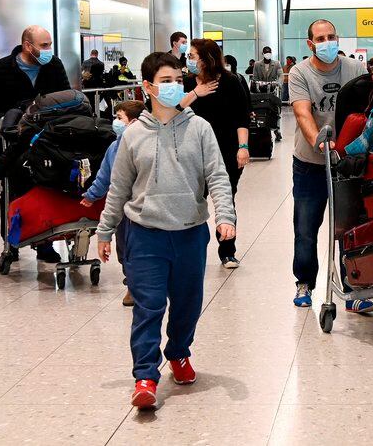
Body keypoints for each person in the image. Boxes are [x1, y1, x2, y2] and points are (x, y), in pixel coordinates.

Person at [96, 52, 236, 410]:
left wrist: (225, 216)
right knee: (149, 305)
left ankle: (178, 353)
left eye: (178, 79)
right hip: (145, 234)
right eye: (166, 80)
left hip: (190, 232)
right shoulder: (132, 135)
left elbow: (217, 176)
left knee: (188, 305)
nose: (174, 86)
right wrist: (105, 231)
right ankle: (145, 376)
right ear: (148, 87)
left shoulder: (200, 128)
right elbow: (119, 187)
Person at [289, 19, 373, 314]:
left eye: (331, 36)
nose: (327, 42)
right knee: (305, 226)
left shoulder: (355, 69)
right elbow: (303, 114)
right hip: (310, 162)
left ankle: (354, 288)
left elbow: (369, 111)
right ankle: (304, 283)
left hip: (348, 163)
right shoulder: (300, 73)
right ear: (310, 43)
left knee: (350, 226)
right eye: (320, 38)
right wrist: (320, 143)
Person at [0, 25, 70, 264]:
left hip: (46, 140)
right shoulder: (0, 70)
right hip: (12, 142)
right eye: (44, 45)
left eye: (49, 45)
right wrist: (1, 120)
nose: (49, 50)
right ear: (28, 45)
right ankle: (11, 241)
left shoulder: (53, 66)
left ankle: (44, 243)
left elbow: (66, 94)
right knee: (12, 190)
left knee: (46, 186)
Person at [184, 39, 250, 269]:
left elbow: (242, 117)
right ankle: (191, 249)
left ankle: (227, 251)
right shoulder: (186, 83)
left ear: (207, 58)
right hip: (191, 153)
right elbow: (172, 111)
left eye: (192, 56)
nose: (188, 60)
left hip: (226, 150)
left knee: (226, 199)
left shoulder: (232, 82)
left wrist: (243, 148)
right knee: (192, 201)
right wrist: (195, 92)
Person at [82, 100, 145, 306]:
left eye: (119, 118)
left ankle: (146, 284)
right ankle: (132, 285)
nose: (115, 122)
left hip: (144, 208)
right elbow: (104, 176)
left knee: (143, 248)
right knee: (124, 247)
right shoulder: (114, 146)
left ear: (133, 122)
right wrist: (91, 196)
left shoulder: (145, 145)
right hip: (122, 210)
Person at [251, 46, 283, 141]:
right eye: (266, 52)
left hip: (272, 91)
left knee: (275, 110)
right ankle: (260, 126)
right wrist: (258, 84)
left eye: (269, 52)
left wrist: (278, 84)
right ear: (263, 53)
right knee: (260, 109)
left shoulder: (276, 64)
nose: (267, 54)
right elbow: (255, 77)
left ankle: (277, 130)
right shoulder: (257, 64)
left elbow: (281, 75)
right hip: (260, 91)